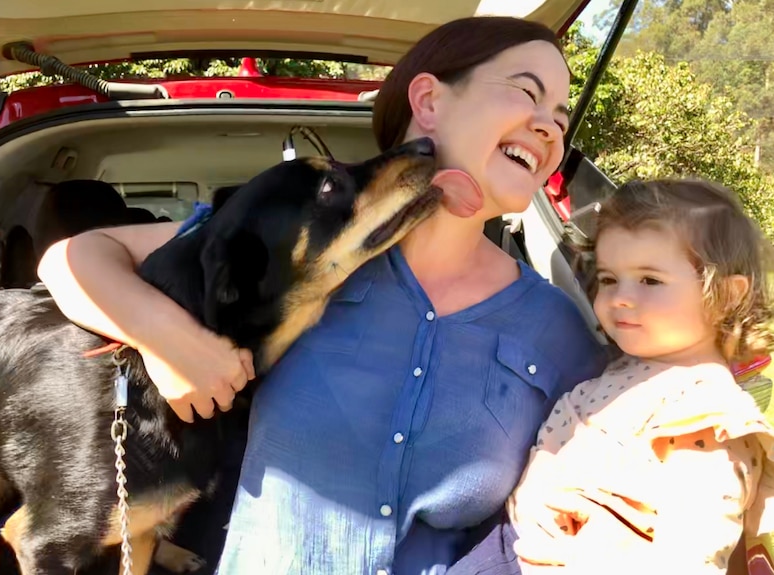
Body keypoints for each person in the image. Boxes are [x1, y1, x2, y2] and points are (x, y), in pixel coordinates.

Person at [37, 16, 607, 574]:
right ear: (429, 101)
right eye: (527, 93)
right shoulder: (284, 257)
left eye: (561, 118)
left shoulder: (560, 326)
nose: (551, 127)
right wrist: (167, 340)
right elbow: (72, 260)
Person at [450, 179, 774, 575]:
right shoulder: (630, 369)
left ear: (726, 295)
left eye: (650, 280)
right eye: (608, 279)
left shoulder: (707, 413)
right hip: (506, 542)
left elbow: (691, 554)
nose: (619, 297)